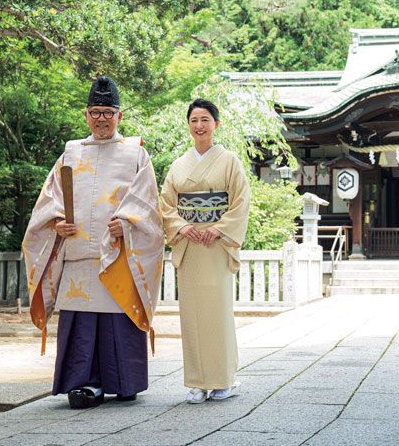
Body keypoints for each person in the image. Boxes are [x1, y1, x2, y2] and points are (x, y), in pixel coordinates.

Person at [22, 76, 164, 409]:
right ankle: (81, 383)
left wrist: (127, 223)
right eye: (96, 112)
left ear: (119, 116)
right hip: (76, 254)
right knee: (80, 321)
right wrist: (57, 222)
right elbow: (49, 199)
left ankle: (123, 381)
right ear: (86, 115)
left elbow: (147, 203)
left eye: (108, 112)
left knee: (116, 315)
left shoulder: (135, 154)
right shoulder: (71, 153)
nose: (102, 118)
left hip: (116, 254)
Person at [160, 98, 250, 404]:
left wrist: (220, 228)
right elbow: (166, 203)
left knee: (217, 312)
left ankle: (223, 378)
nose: (199, 126)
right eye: (194, 120)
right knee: (191, 315)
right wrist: (180, 226)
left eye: (205, 120)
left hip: (215, 243)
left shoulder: (230, 161)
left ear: (216, 124)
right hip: (190, 244)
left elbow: (240, 201)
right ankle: (196, 381)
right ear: (189, 125)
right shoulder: (178, 165)